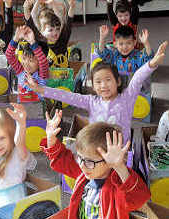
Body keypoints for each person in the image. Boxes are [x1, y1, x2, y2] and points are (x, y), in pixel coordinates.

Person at [40, 113, 150, 219]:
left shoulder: (117, 185)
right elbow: (62, 159)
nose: (83, 165)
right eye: (80, 158)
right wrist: (51, 139)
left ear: (109, 162)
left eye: (90, 161)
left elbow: (139, 198)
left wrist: (120, 167)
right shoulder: (85, 174)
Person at [25, 41, 168, 144]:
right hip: (95, 148)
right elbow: (66, 96)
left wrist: (152, 63)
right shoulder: (91, 101)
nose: (104, 85)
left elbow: (137, 78)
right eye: (98, 82)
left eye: (108, 80)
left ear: (118, 81)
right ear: (93, 86)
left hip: (120, 150)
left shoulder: (127, 98)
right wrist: (40, 89)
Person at [24, 0, 76, 68]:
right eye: (50, 30)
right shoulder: (39, 42)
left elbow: (68, 22)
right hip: (46, 78)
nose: (55, 33)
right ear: (41, 31)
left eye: (57, 29)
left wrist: (72, 6)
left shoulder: (62, 39)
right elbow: (30, 22)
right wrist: (26, 8)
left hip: (64, 78)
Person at [97, 25, 153, 89]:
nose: (125, 47)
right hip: (117, 90)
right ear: (115, 44)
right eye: (121, 44)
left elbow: (149, 58)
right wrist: (102, 38)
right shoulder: (114, 55)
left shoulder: (137, 56)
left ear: (134, 43)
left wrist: (146, 43)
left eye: (129, 43)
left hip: (134, 90)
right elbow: (102, 53)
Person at [5, 25, 49, 102]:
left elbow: (43, 61)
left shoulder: (42, 75)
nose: (26, 63)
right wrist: (15, 39)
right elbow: (9, 55)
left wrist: (32, 42)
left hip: (37, 110)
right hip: (22, 110)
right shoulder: (20, 71)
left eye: (31, 61)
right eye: (24, 59)